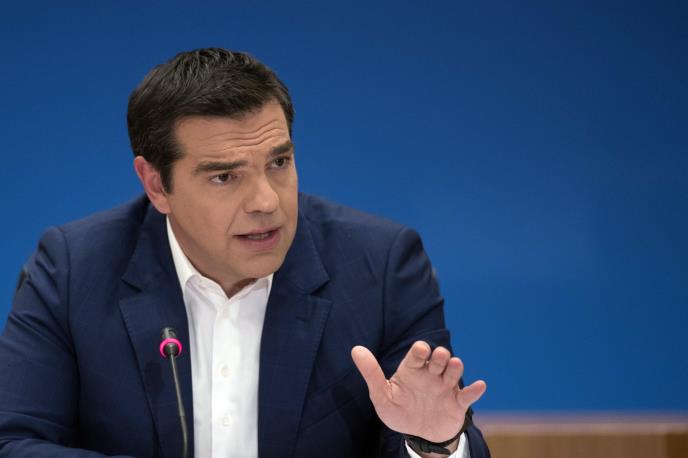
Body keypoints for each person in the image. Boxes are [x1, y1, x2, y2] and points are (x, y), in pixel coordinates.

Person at [0, 48, 490, 458]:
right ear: (156, 185)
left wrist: (433, 443)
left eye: (279, 162)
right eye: (224, 176)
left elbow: (425, 434)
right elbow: (14, 441)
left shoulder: (380, 266)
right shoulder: (73, 269)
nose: (266, 201)